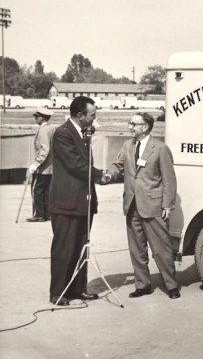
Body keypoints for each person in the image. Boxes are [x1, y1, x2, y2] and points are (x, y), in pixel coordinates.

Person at [107, 112, 180, 299]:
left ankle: (171, 285)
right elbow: (118, 165)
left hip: (153, 206)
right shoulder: (127, 146)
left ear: (145, 127)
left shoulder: (160, 148)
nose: (130, 127)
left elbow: (169, 180)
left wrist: (167, 205)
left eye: (133, 123)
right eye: (130, 123)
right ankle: (143, 285)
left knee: (161, 249)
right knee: (136, 249)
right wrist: (109, 174)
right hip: (132, 205)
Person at [49, 96, 109, 306]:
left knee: (82, 248)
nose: (94, 119)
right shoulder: (63, 133)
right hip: (66, 203)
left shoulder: (83, 132)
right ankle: (58, 292)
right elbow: (75, 165)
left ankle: (77, 289)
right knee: (64, 248)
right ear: (80, 115)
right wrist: (101, 175)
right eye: (92, 115)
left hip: (83, 202)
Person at [27, 107, 55, 222]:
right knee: (46, 190)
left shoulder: (43, 130)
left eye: (36, 116)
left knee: (37, 190)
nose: (35, 118)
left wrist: (36, 164)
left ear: (42, 118)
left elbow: (45, 150)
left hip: (43, 168)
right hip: (50, 167)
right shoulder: (50, 128)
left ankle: (39, 214)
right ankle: (47, 214)